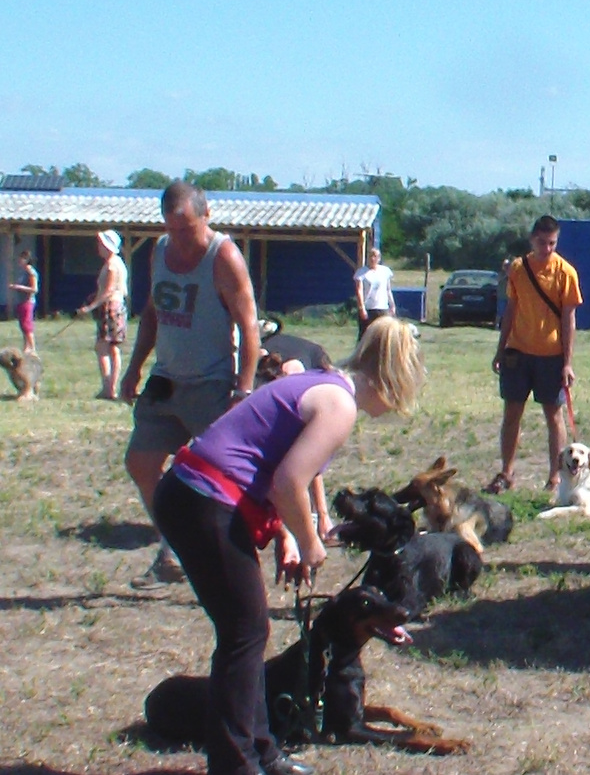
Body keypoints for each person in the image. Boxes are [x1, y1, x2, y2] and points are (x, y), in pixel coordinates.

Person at [155, 315, 423, 775]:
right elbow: (288, 481)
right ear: (391, 379)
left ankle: (263, 752)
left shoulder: (319, 383)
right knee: (244, 634)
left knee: (247, 632)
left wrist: (284, 535)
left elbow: (264, 458)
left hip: (194, 494)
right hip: (204, 500)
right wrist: (310, 541)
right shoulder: (340, 404)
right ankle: (236, 763)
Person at [120, 182, 261, 590]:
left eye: (188, 228)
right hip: (166, 380)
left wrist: (243, 390)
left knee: (222, 481)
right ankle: (173, 550)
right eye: (173, 228)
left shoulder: (224, 257)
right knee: (141, 464)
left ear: (207, 215)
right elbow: (152, 313)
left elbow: (249, 325)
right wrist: (134, 369)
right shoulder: (159, 251)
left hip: (212, 385)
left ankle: (234, 561)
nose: (181, 237)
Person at [486, 215, 581, 494]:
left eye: (552, 243)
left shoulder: (566, 273)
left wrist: (567, 363)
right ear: (532, 240)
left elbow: (568, 319)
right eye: (542, 242)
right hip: (518, 353)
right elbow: (511, 310)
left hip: (551, 356)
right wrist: (500, 349)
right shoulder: (518, 269)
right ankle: (506, 472)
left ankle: (555, 477)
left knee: (554, 416)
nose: (547, 248)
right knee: (512, 412)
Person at [79, 230, 129, 399]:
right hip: (117, 306)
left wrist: (90, 307)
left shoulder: (111, 266)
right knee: (111, 348)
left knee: (103, 348)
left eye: (101, 244)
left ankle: (109, 388)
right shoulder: (117, 263)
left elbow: (108, 291)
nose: (98, 247)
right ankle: (110, 387)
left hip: (109, 308)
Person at [351, 246, 395, 342]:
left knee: (383, 335)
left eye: (375, 256)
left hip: (382, 308)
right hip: (368, 308)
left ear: (379, 258)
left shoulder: (385, 271)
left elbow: (388, 289)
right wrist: (361, 308)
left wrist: (392, 305)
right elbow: (359, 291)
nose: (372, 258)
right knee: (364, 336)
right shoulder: (361, 272)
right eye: (370, 256)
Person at [9, 249, 38, 354]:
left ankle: (33, 348)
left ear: (27, 260)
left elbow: (34, 289)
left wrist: (19, 287)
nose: (19, 260)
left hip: (28, 302)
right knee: (22, 326)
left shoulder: (31, 272)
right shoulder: (24, 272)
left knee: (27, 325)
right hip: (21, 302)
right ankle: (26, 348)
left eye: (22, 258)